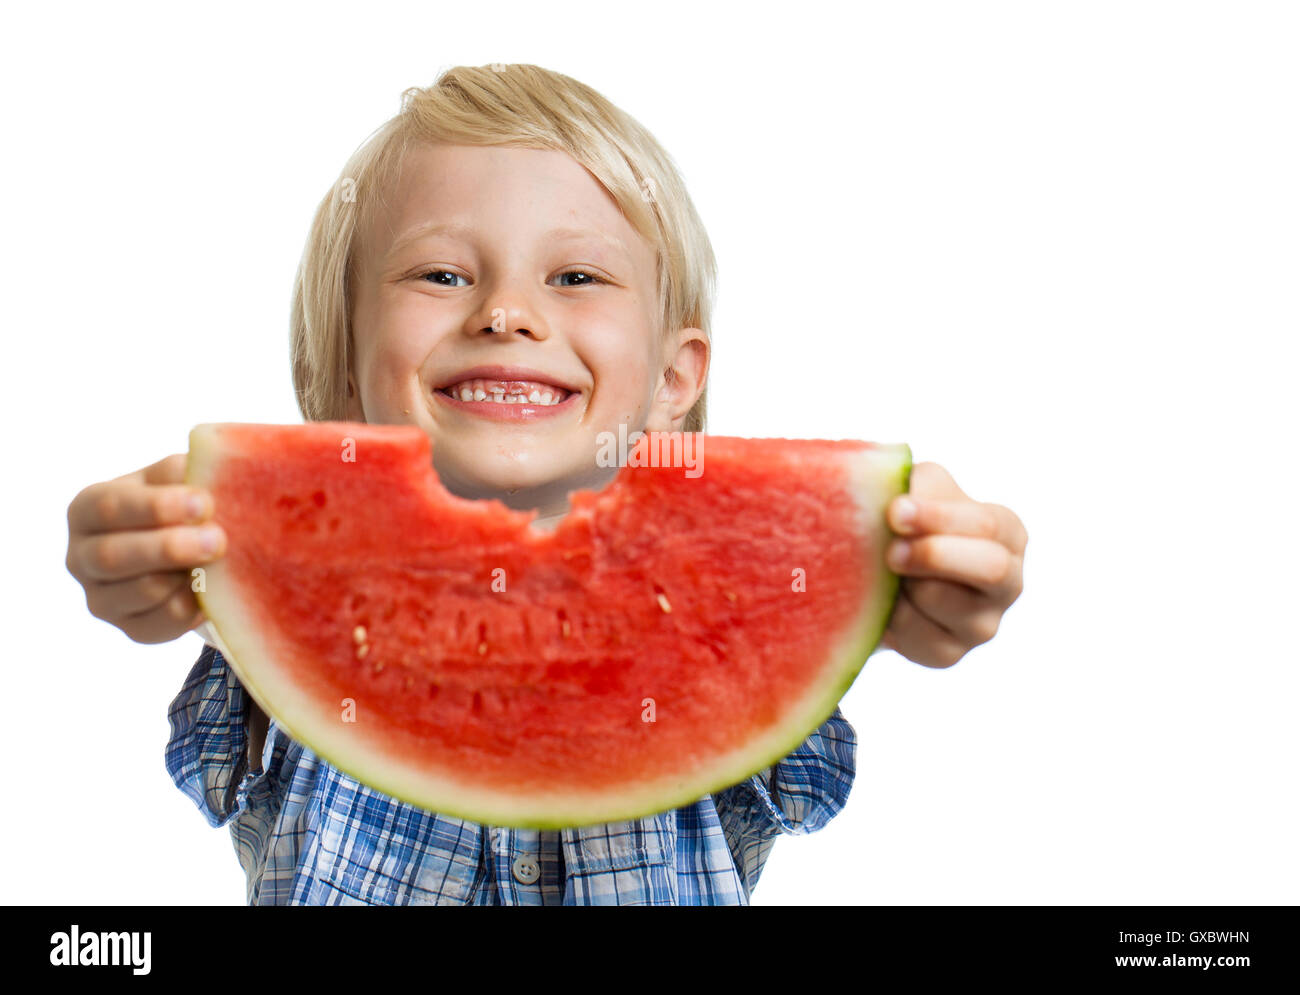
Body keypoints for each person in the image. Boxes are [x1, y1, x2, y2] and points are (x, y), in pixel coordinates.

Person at [65, 64, 1027, 904]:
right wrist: (175, 571)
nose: (509, 312)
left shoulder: (713, 637)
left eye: (575, 275)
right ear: (333, 375)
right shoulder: (274, 638)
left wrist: (892, 556)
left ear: (673, 380)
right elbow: (207, 604)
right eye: (440, 273)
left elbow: (805, 646)